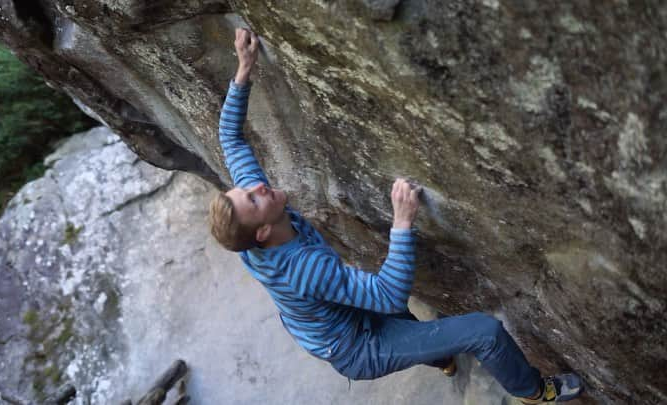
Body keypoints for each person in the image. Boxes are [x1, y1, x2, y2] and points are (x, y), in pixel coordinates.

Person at [208, 28, 583, 404]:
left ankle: (440, 358)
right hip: (359, 347)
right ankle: (534, 393)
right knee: (485, 332)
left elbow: (231, 138)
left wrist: (244, 68)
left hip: (330, 321)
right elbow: (386, 296)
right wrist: (402, 222)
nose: (256, 187)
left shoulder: (252, 219)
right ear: (263, 232)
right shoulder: (304, 270)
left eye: (246, 189)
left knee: (406, 323)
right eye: (253, 199)